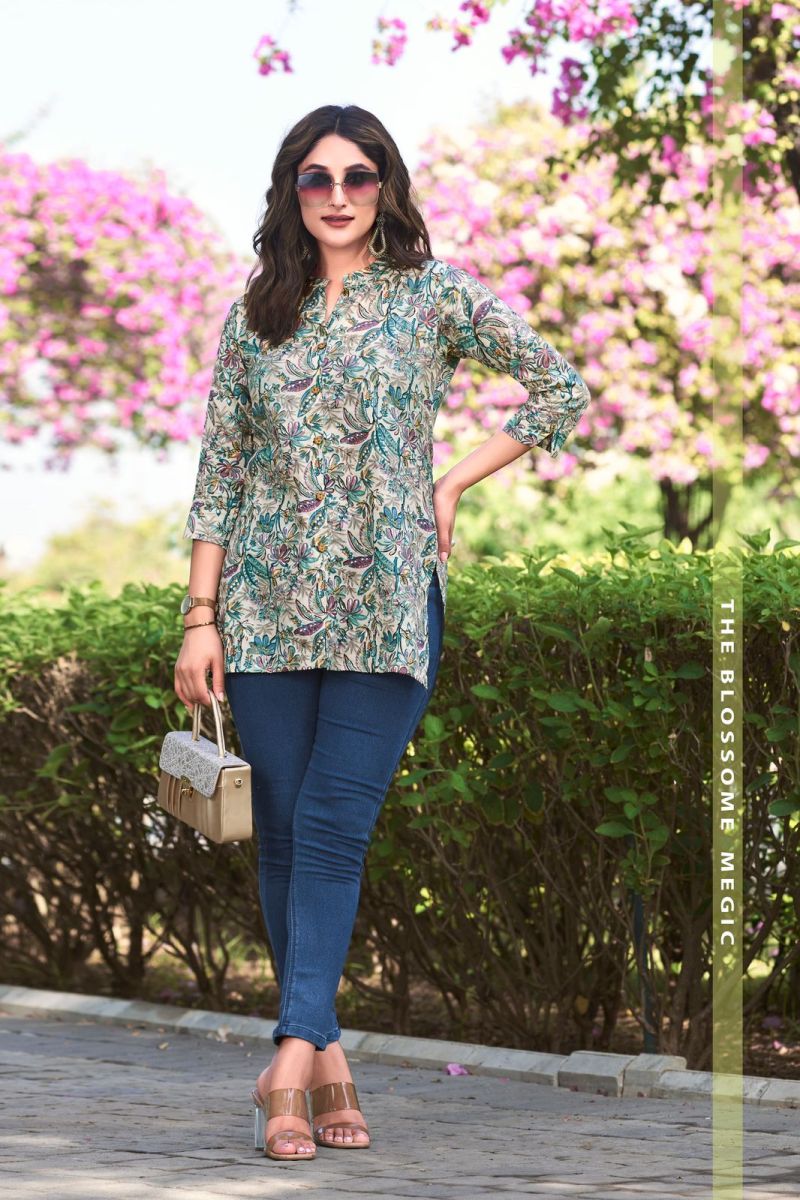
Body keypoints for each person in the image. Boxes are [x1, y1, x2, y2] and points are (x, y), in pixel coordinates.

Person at [173, 103, 590, 1163]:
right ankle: (326, 1060)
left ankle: (286, 1058)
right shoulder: (254, 316)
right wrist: (199, 617)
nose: (338, 194)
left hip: (388, 604)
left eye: (357, 175)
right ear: (292, 191)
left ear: (385, 187)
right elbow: (220, 474)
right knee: (282, 831)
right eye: (316, 178)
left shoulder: (432, 295)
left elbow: (560, 386)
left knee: (333, 824)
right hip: (264, 612)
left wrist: (451, 480)